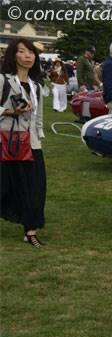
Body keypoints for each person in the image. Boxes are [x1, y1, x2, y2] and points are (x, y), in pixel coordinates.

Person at [0, 38, 48, 247]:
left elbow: (38, 116)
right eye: (22, 52)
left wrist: (39, 135)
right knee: (4, 186)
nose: (28, 56)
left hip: (31, 143)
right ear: (13, 55)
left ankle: (30, 230)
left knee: (36, 188)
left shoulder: (36, 86)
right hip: (6, 141)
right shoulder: (3, 81)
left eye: (31, 52)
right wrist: (10, 111)